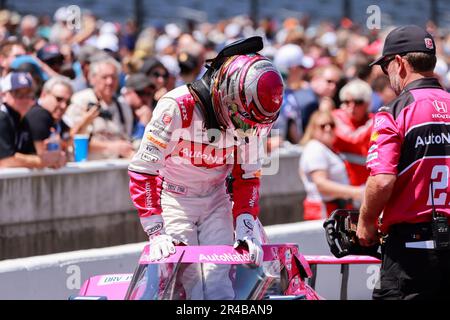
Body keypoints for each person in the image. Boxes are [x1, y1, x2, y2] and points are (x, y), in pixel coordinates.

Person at [128, 37, 284, 299]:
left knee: (218, 285)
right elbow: (143, 169)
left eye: (256, 123)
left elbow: (248, 175)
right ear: (225, 92)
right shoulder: (176, 106)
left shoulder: (253, 118)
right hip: (174, 200)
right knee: (179, 282)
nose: (248, 128)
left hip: (216, 200)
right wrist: (156, 230)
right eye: (243, 118)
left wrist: (246, 220)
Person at [357, 25, 450, 300]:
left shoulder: (394, 111)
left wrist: (366, 222)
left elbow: (382, 179)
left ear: (398, 63)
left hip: (412, 252)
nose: (387, 77)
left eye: (386, 68)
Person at [64, 57, 134, 160]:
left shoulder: (123, 106)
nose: (109, 82)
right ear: (92, 79)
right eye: (104, 77)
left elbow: (126, 139)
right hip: (88, 168)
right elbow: (73, 139)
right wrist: (112, 147)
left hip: (116, 168)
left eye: (113, 77)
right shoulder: (81, 100)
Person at [299, 110, 364, 220]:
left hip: (334, 208)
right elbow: (321, 184)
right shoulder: (315, 148)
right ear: (313, 129)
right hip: (323, 210)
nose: (328, 128)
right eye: (323, 126)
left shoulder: (327, 148)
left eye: (331, 125)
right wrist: (356, 192)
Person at [0, 72, 65, 168]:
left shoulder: (23, 119)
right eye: (18, 94)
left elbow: (27, 155)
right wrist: (43, 161)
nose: (25, 99)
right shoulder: (2, 117)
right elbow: (6, 160)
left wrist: (54, 155)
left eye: (29, 94)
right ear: (4, 95)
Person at [333, 79, 374, 187]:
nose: (351, 106)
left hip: (367, 182)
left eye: (358, 102)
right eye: (347, 102)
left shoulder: (372, 119)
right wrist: (375, 122)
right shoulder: (337, 116)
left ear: (367, 104)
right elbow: (353, 138)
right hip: (344, 184)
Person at [24, 76, 73, 155]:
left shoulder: (56, 118)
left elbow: (70, 139)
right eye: (59, 99)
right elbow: (43, 155)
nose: (63, 106)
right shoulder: (39, 114)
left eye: (68, 102)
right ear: (44, 95)